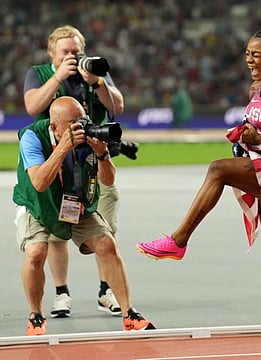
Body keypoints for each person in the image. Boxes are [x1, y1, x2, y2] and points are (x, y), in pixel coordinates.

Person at [137, 26, 261, 351]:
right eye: (247, 53)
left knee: (218, 170)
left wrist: (259, 140)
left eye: (256, 54)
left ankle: (178, 241)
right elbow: (260, 127)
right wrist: (246, 135)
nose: (249, 59)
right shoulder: (256, 88)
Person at [13, 96, 155, 336]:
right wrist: (64, 148)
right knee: (37, 252)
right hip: (39, 204)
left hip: (76, 203)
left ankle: (128, 313)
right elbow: (38, 182)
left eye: (82, 120)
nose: (80, 127)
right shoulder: (31, 137)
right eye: (72, 123)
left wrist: (102, 155)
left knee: (107, 244)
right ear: (54, 126)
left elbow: (108, 180)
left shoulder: (90, 136)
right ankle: (35, 316)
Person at [23, 25, 125, 318]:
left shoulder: (93, 70)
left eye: (76, 50)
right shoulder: (39, 73)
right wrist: (58, 77)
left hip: (94, 157)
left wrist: (96, 82)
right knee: (55, 230)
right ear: (51, 52)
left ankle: (106, 290)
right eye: (66, 51)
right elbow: (32, 107)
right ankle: (61, 293)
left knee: (106, 224)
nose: (73, 56)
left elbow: (117, 106)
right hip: (57, 160)